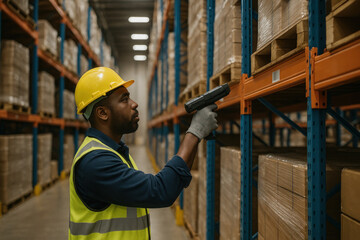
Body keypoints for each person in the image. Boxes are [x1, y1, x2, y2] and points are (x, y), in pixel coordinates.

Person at [70, 67, 218, 240]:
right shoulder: (95, 162)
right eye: (124, 100)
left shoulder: (114, 151)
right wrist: (195, 132)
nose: (134, 103)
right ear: (102, 113)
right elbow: (160, 191)